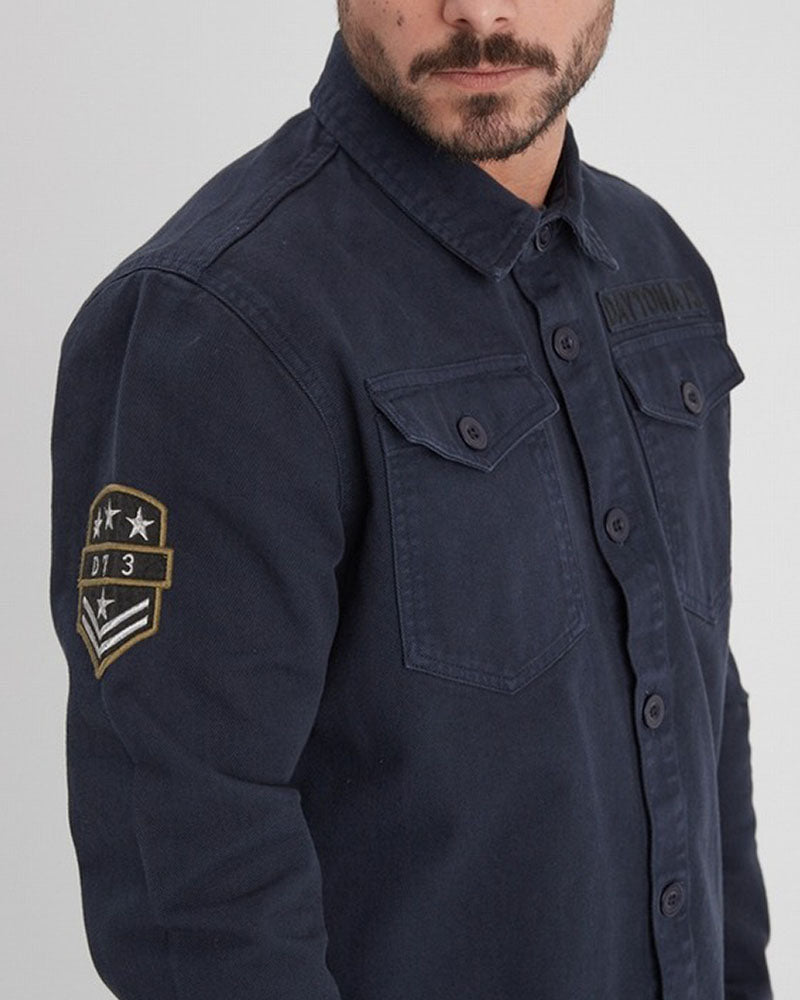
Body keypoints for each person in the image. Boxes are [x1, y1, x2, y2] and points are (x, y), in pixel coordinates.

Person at [50, 2, 773, 998]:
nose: (478, 11)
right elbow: (194, 878)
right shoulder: (212, 324)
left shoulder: (658, 266)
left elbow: (698, 706)